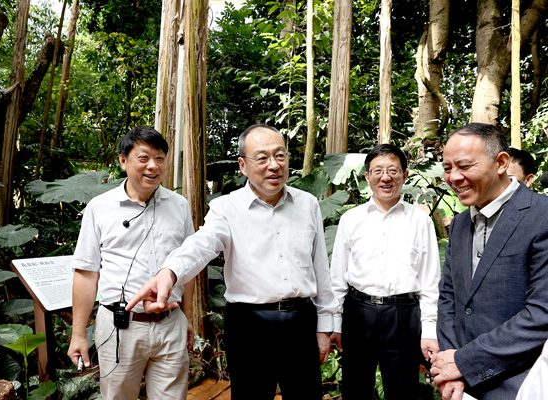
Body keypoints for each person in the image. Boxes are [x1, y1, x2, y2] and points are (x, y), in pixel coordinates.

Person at [126, 124, 338, 400]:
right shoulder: (227, 208)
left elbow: (320, 269)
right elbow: (201, 245)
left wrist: (325, 327)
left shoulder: (308, 204)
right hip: (249, 325)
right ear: (243, 165)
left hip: (301, 321)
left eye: (280, 155)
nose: (274, 165)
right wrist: (168, 273)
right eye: (262, 158)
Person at [67, 127, 196, 400]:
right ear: (123, 161)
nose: (153, 166)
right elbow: (86, 273)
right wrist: (78, 334)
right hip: (120, 327)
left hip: (170, 323)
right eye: (144, 158)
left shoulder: (179, 205)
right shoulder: (100, 208)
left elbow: (187, 266)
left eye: (160, 158)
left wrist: (187, 317)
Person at [431, 123, 548, 400]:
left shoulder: (542, 215)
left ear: (501, 163)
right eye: (447, 168)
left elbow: (542, 314)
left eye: (464, 166)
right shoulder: (459, 223)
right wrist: (451, 366)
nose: (454, 177)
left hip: (521, 383)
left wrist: (464, 363)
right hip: (460, 386)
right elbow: (449, 297)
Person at [329, 144, 441, 399]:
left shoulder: (420, 220)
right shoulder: (351, 219)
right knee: (355, 390)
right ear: (368, 176)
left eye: (393, 170)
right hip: (358, 313)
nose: (385, 177)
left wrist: (429, 330)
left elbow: (430, 281)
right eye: (378, 171)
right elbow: (337, 278)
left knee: (403, 391)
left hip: (403, 315)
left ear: (404, 175)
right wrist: (334, 322)